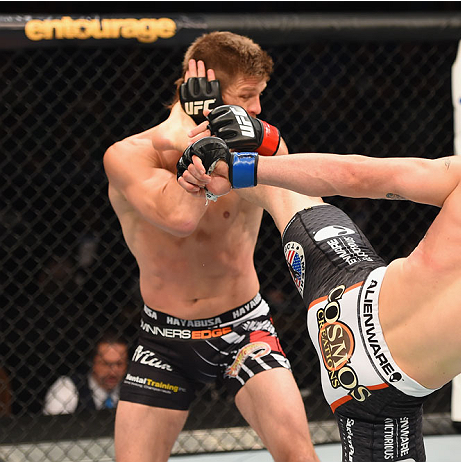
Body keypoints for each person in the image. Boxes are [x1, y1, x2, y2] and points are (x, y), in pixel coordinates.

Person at [179, 107, 461, 461]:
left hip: (342, 292)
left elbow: (355, 175)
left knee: (293, 200)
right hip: (376, 392)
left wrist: (241, 170)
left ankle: (234, 155)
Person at [103, 32, 319, 462]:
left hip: (244, 330)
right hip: (164, 339)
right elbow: (179, 217)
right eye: (247, 96)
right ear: (203, 87)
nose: (256, 109)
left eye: (260, 96)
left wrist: (251, 143)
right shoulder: (128, 156)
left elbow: (292, 191)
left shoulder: (255, 143)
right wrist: (195, 139)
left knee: (299, 457)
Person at [44, 331, 128, 415]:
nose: (113, 373)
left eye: (119, 364)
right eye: (105, 364)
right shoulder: (68, 388)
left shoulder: (131, 388)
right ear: (92, 363)